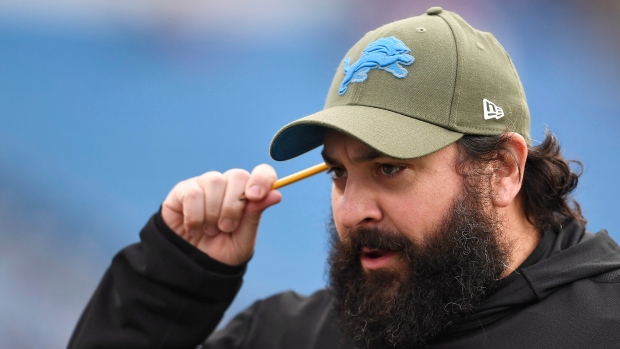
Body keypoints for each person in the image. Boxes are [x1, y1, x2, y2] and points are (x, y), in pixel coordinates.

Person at [68, 7, 620, 349]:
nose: (354, 209)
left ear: (502, 170)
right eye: (338, 173)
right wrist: (171, 282)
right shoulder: (290, 336)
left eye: (389, 168)